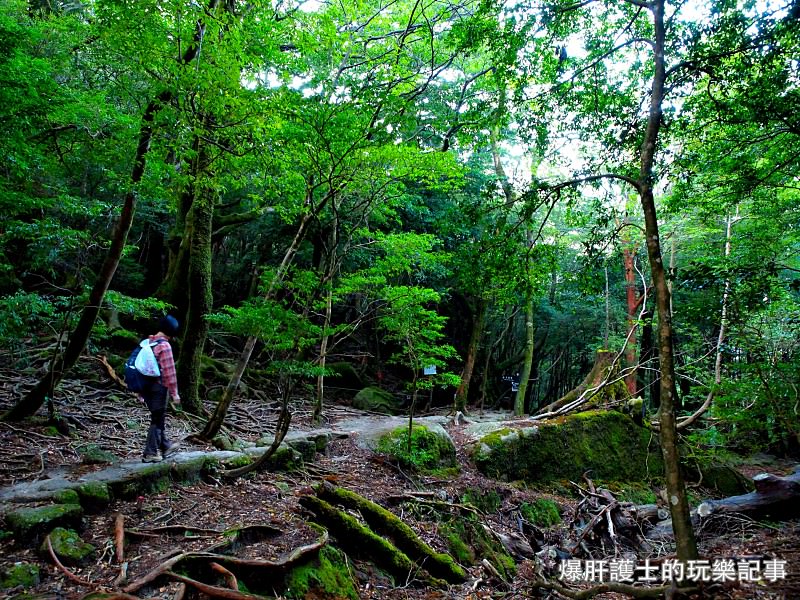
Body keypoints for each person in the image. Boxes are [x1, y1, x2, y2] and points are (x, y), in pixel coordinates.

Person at [140, 315, 182, 462]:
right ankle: (150, 453)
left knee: (159, 417)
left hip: (146, 388)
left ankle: (165, 446)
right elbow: (169, 372)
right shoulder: (164, 346)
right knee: (157, 419)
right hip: (159, 388)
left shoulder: (147, 343)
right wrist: (174, 393)